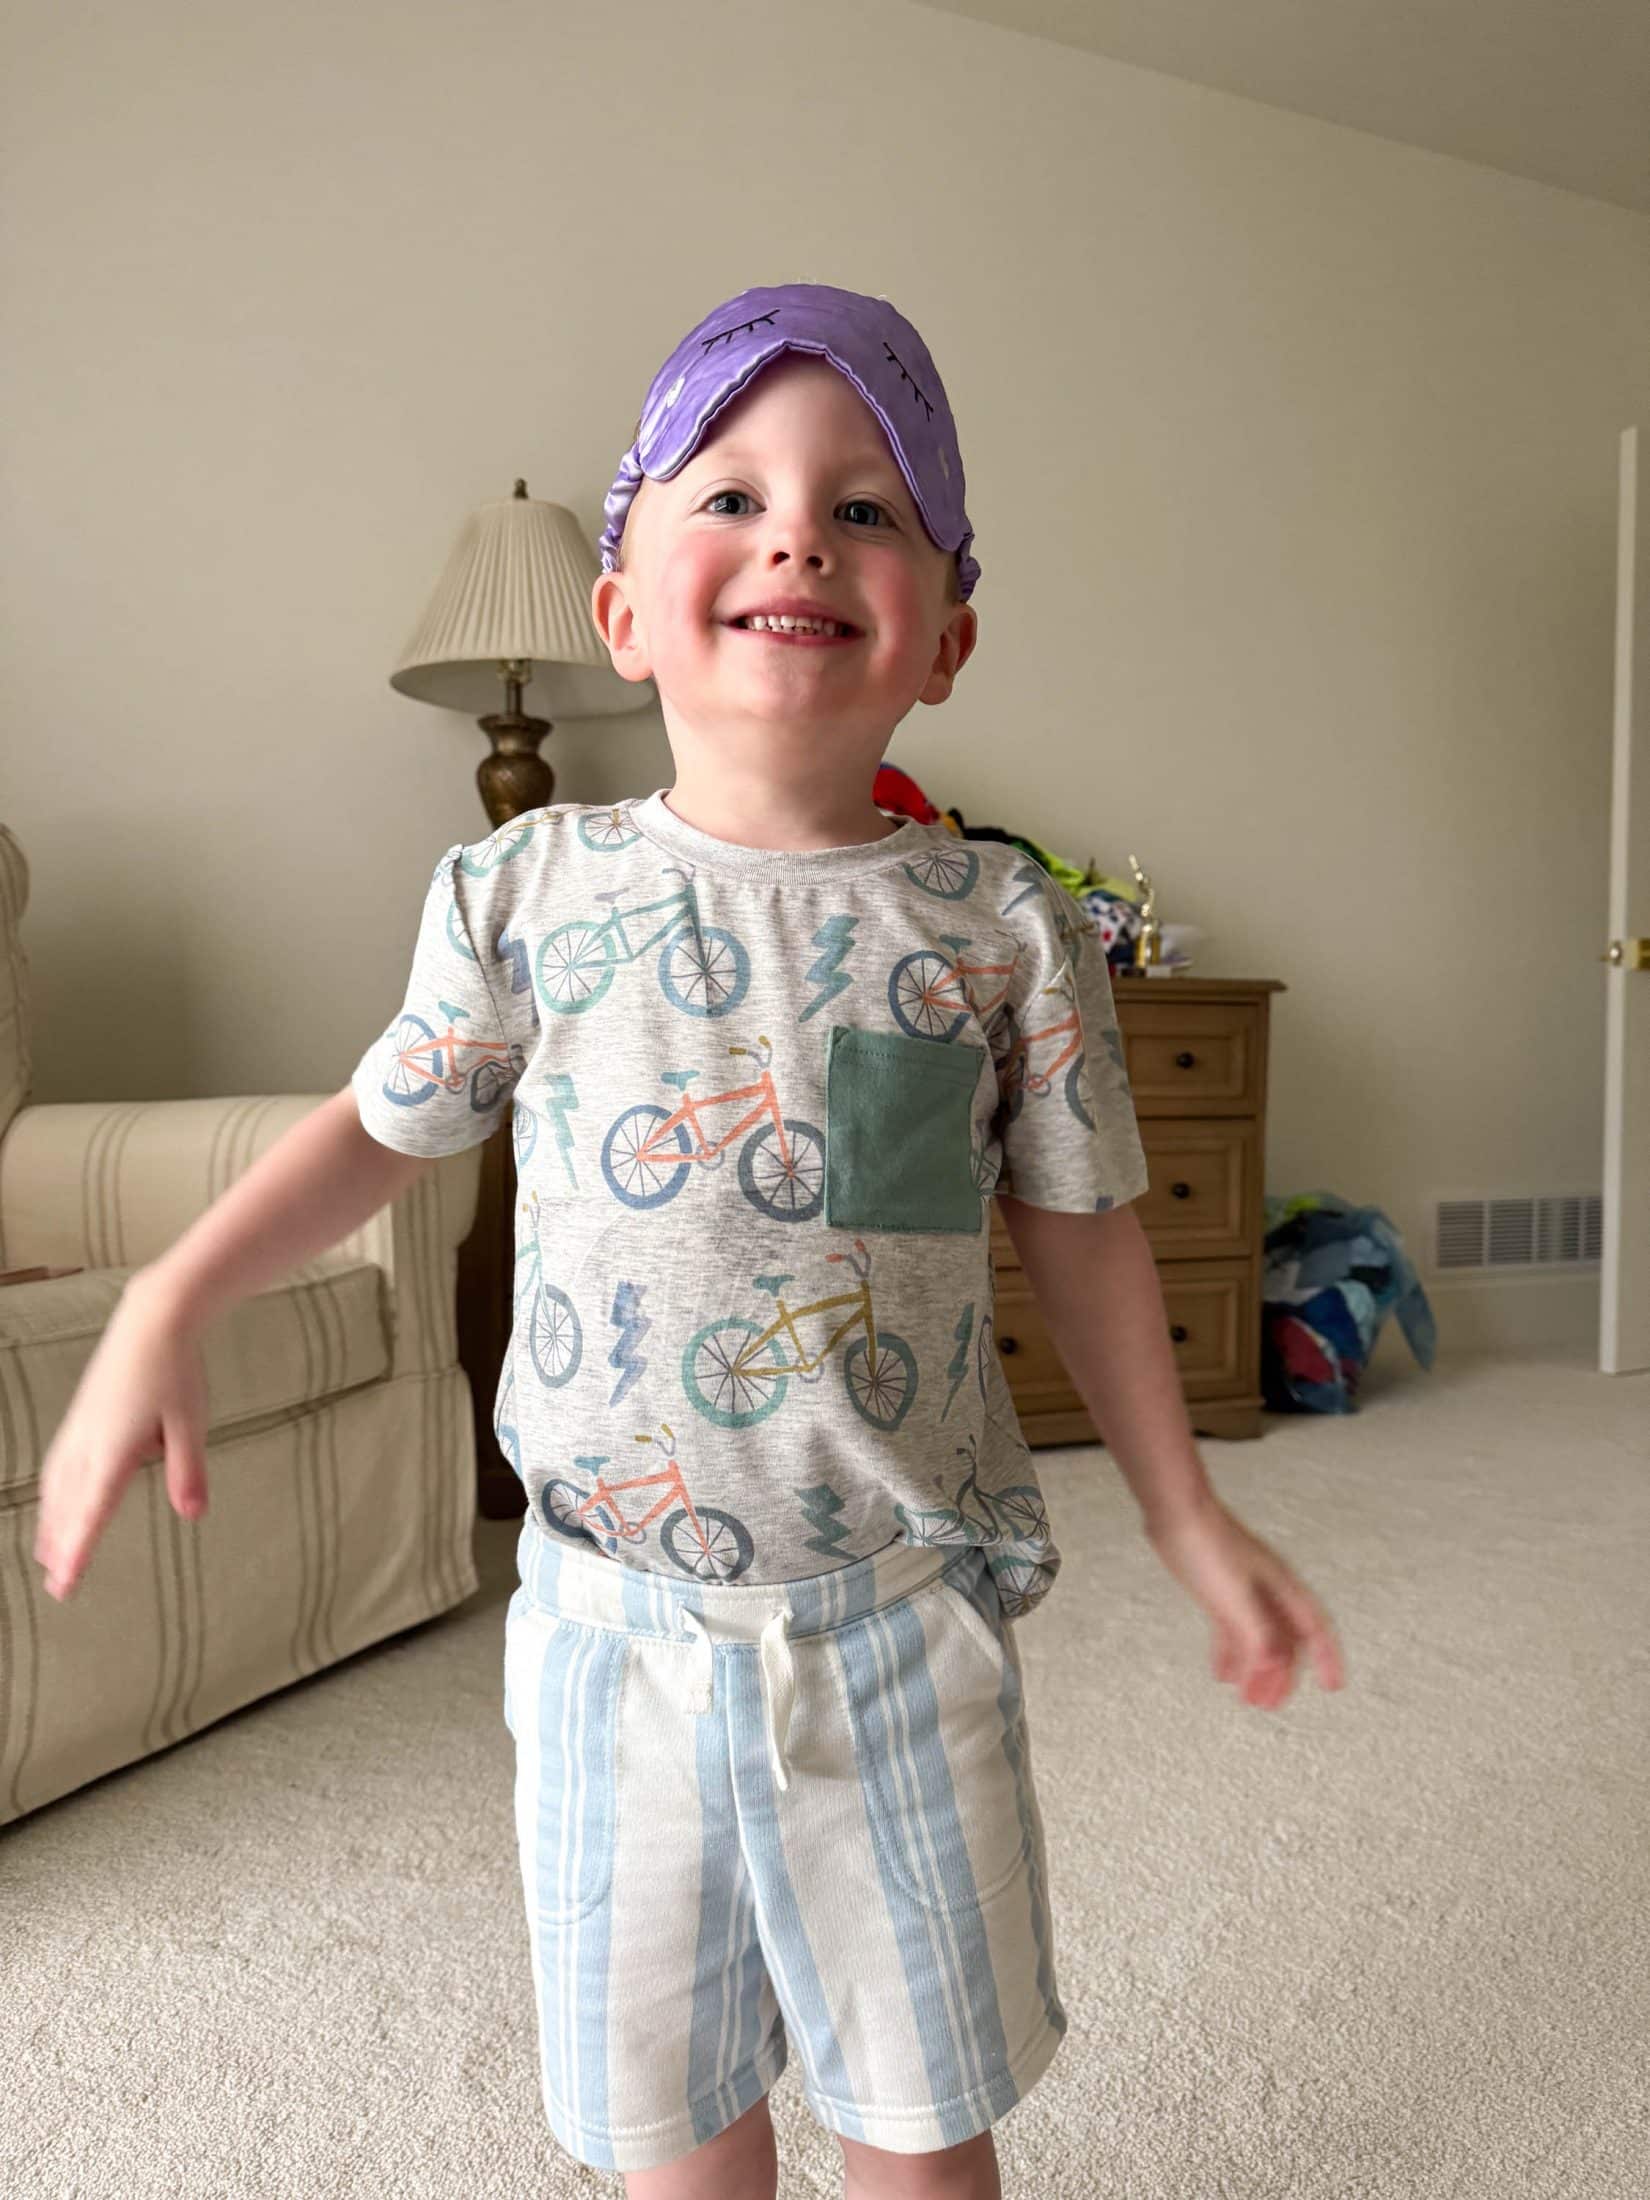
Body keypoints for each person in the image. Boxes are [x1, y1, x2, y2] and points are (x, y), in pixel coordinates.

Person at [33, 282, 1346, 2200]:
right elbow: (377, 1132)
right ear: (623, 613)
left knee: (921, 2119)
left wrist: (1184, 1508)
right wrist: (174, 1289)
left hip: (893, 1626)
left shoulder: (999, 927)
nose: (797, 533)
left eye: (866, 508)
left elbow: (1081, 1232)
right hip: (605, 1644)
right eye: (727, 495)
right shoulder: (521, 891)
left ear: (947, 637)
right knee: (670, 2124)